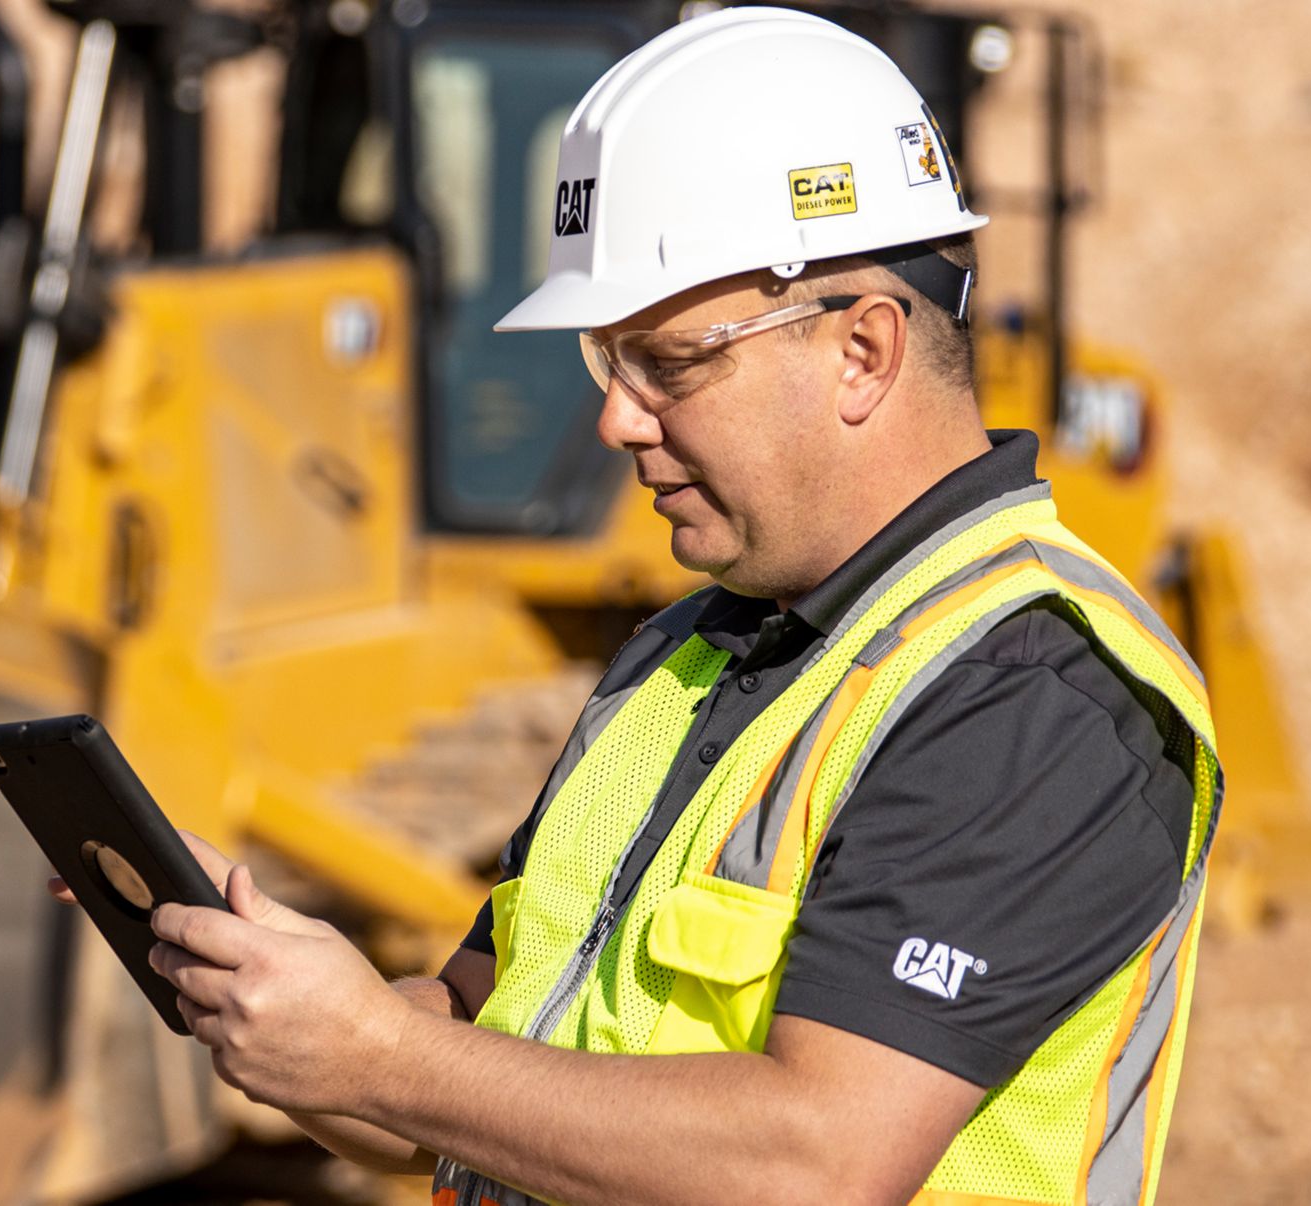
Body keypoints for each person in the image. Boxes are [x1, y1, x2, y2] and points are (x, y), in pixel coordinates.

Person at [137, 10, 1220, 1204]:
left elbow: (815, 1164)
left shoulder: (1029, 695)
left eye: (672, 363)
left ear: (861, 351)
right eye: (608, 363)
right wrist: (276, 993)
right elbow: (476, 1066)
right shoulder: (683, 654)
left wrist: (382, 1058)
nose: (618, 419)